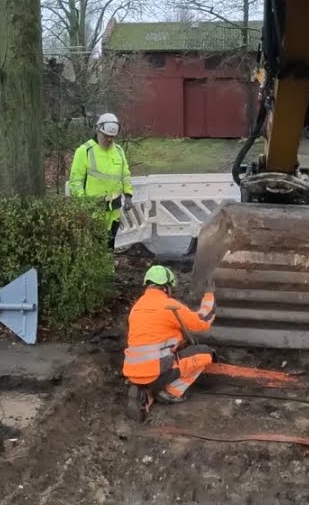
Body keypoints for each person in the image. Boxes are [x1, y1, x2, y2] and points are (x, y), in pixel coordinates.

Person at [123, 265, 217, 418]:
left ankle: (144, 393)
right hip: (156, 371)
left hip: (132, 370)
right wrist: (209, 295)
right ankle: (169, 392)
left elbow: (155, 336)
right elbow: (203, 321)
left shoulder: (137, 307)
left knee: (176, 352)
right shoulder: (169, 306)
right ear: (166, 287)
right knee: (206, 354)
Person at [67, 113, 133, 249]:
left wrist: (128, 195)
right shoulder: (84, 151)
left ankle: (108, 268)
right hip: (93, 210)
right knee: (94, 247)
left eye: (112, 137)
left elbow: (125, 175)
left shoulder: (119, 151)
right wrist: (83, 204)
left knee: (109, 245)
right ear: (98, 131)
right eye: (106, 136)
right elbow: (76, 181)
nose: (109, 139)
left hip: (113, 209)